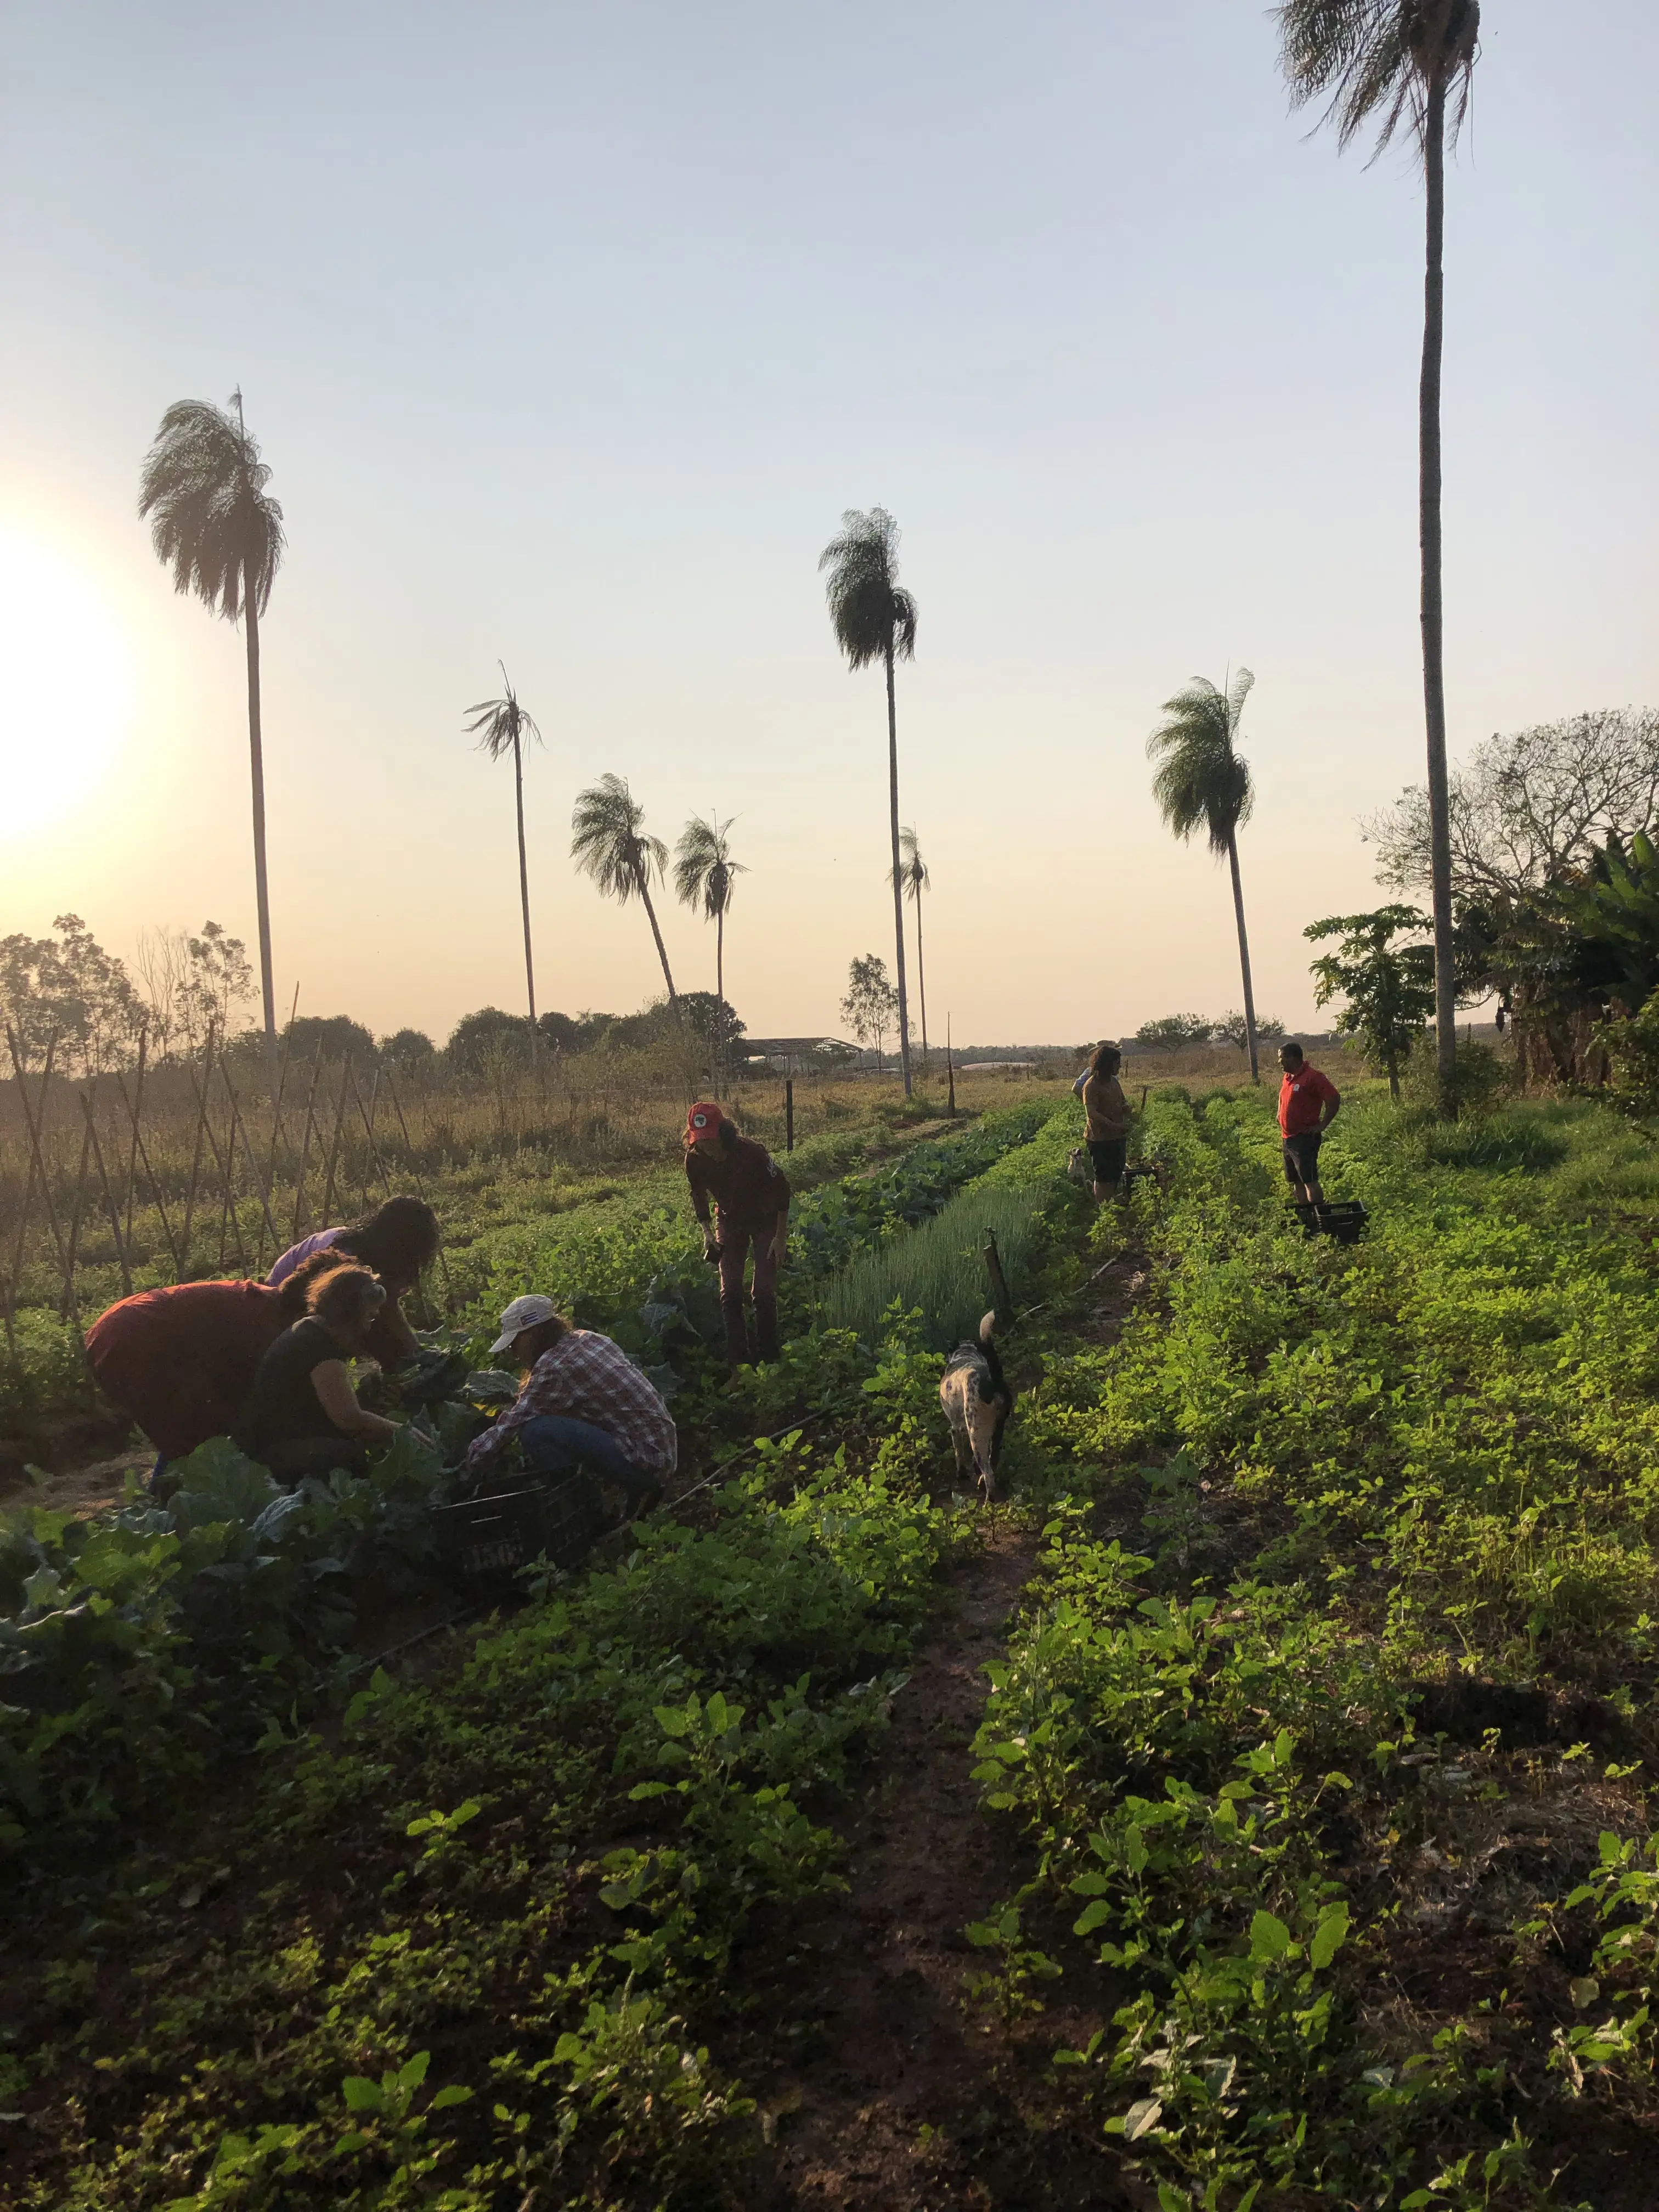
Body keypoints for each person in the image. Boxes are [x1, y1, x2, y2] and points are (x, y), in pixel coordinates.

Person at [86, 1250, 348, 1468]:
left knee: (194, 1434)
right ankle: (176, 1503)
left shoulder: (263, 1302)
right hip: (136, 1337)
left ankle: (171, 1496)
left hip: (118, 1328)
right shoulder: (267, 1323)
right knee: (199, 1444)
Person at [462, 1294, 675, 1510]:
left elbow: (513, 1422)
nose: (513, 1353)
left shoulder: (554, 1366)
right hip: (661, 1450)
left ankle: (590, 1511)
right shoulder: (588, 1338)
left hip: (646, 1463)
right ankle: (632, 1492)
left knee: (535, 1431)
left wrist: (469, 1464)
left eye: (515, 1343)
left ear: (533, 1334)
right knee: (557, 1418)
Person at [237, 1263, 404, 1482]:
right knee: (349, 1457)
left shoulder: (309, 1329)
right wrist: (404, 1432)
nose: (369, 1326)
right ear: (350, 1313)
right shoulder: (320, 1347)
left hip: (272, 1444)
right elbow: (349, 1419)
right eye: (369, 1317)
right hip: (274, 1453)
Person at [266, 1195, 439, 1363]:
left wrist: (417, 1352)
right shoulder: (341, 1254)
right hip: (281, 1302)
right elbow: (325, 1315)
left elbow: (389, 1304)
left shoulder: (380, 1262)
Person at [682, 1102, 792, 1367]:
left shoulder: (752, 1153)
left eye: (710, 1139)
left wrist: (780, 1238)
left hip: (765, 1221)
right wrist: (707, 1231)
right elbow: (698, 1194)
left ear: (725, 1132)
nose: (706, 1146)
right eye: (700, 1141)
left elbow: (783, 1192)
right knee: (730, 1293)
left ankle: (770, 1360)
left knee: (762, 1293)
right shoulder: (695, 1160)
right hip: (730, 1221)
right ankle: (739, 1365)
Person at [1278, 1040, 1341, 1206]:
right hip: (1288, 1138)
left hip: (1304, 1138)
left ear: (1293, 1058)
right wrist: (1280, 1112)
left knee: (1309, 1180)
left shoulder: (1313, 1077)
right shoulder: (1288, 1078)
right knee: (1296, 1180)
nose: (1279, 1062)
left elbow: (1334, 1098)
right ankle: (1306, 1214)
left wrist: (1322, 1125)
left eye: (1282, 1058)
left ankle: (1319, 1214)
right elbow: (1283, 1097)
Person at [1080, 1042, 1133, 1199]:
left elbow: (1122, 1101)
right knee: (1104, 1177)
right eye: (1117, 1063)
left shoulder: (1114, 1082)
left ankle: (1109, 1202)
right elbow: (1092, 1114)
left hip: (1117, 1136)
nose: (1120, 1067)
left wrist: (1126, 1108)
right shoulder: (1091, 1086)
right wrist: (1115, 1126)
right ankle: (1104, 1207)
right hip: (1099, 1139)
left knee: (1116, 1172)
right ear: (1107, 1064)